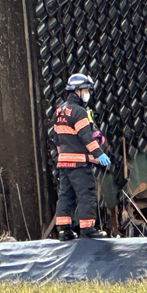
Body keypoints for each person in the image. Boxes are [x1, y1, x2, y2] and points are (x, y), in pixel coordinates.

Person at [51, 73, 111, 240]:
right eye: (86, 90)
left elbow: (57, 138)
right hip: (79, 164)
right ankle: (87, 228)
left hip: (63, 162)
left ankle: (64, 230)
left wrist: (62, 155)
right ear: (77, 91)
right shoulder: (79, 112)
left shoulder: (59, 111)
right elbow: (86, 137)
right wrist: (99, 154)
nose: (88, 93)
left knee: (65, 195)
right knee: (86, 194)